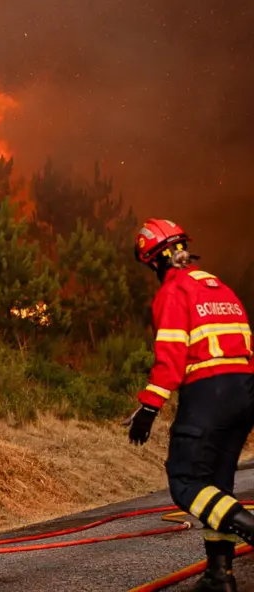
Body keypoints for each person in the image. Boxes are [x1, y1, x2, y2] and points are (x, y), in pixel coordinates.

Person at [127, 218, 254, 591]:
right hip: (245, 391)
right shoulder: (220, 287)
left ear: (156, 260)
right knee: (218, 484)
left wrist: (149, 408)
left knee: (186, 481)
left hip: (208, 392)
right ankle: (219, 574)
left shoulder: (174, 291)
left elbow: (171, 357)